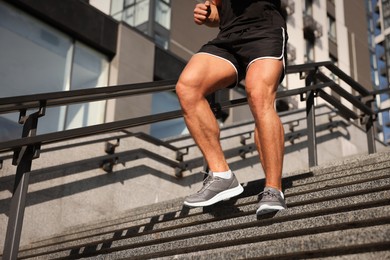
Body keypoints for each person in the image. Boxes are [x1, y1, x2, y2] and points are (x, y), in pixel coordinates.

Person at [175, 0, 287, 215]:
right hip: (228, 37)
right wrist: (208, 14)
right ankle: (221, 175)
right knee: (187, 87)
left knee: (258, 95)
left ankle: (273, 189)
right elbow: (218, 12)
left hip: (264, 30)